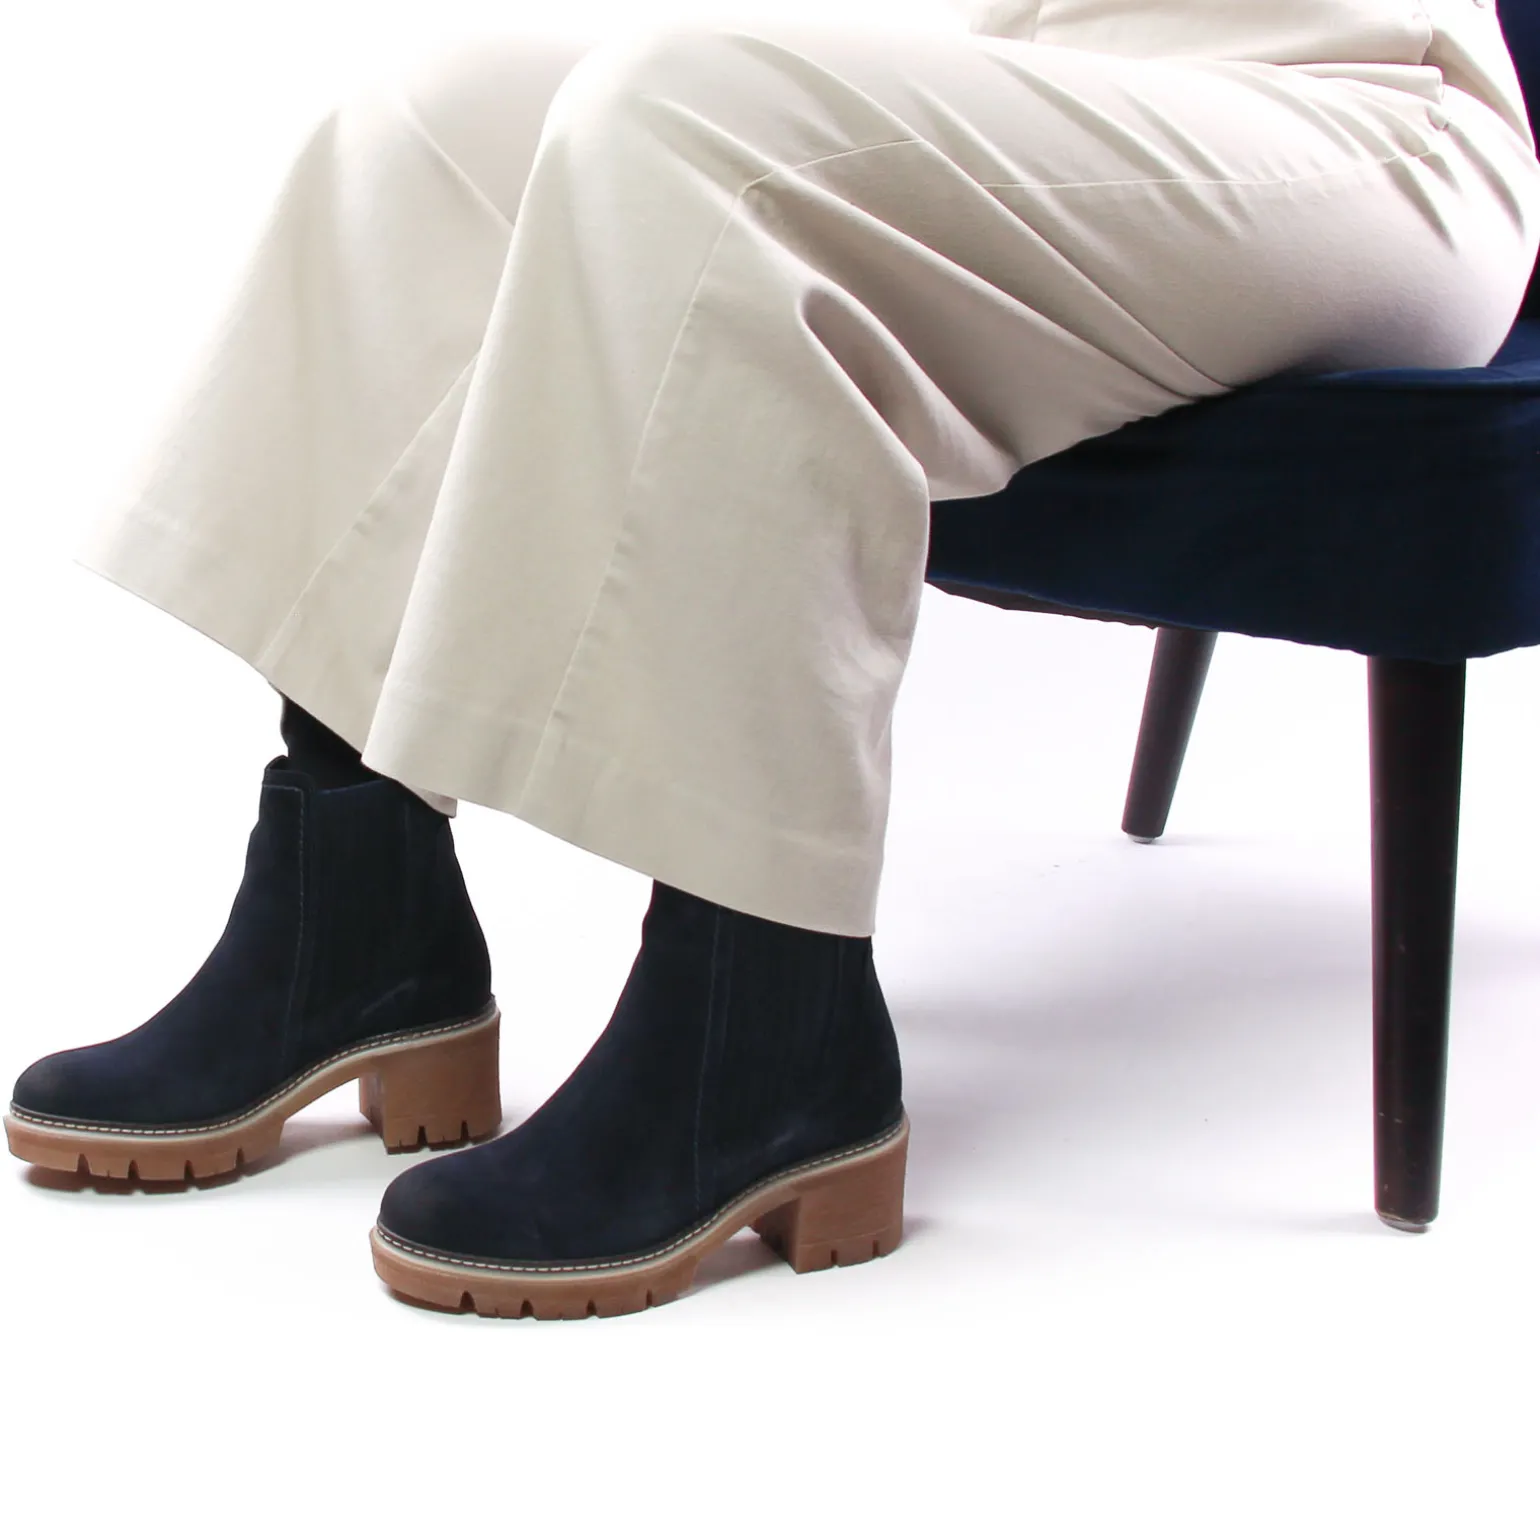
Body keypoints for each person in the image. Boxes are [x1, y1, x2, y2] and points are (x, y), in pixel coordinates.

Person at [6, 1, 1538, 1319]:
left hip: (1360, 121)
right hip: (1071, 71)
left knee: (690, 126)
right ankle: (359, 911)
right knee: (433, 123)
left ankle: (769, 1014)